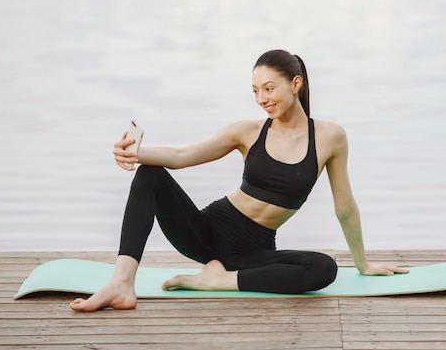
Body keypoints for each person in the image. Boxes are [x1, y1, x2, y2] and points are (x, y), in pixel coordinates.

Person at [70, 49, 409, 312]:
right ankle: (121, 283)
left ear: (295, 84)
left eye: (269, 88)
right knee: (150, 175)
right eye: (255, 91)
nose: (262, 99)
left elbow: (345, 206)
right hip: (205, 233)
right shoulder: (246, 132)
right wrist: (135, 153)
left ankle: (217, 281)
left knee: (323, 268)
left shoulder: (330, 137)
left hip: (254, 253)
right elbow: (182, 156)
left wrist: (363, 264)